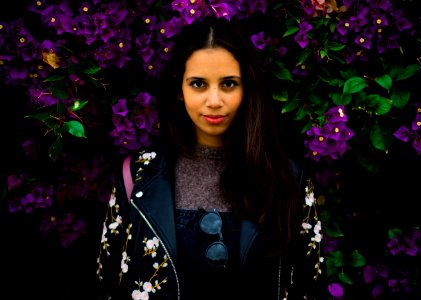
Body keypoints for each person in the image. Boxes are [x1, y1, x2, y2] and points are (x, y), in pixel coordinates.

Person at [97, 16, 325, 300]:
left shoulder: (289, 180)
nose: (214, 100)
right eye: (198, 84)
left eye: (229, 84)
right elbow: (108, 286)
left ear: (247, 88)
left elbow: (310, 289)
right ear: (179, 89)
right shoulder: (136, 177)